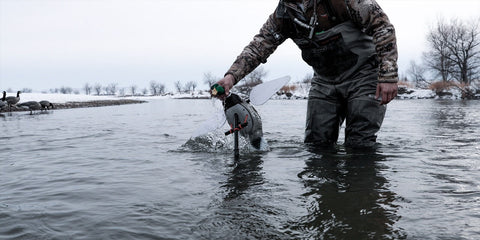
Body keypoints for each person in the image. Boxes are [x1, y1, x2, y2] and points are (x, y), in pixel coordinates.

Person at [213, 0, 398, 148]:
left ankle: (362, 191)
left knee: (360, 144)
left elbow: (382, 27)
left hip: (364, 75)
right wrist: (231, 77)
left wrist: (388, 75)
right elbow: (258, 47)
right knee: (316, 146)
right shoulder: (283, 14)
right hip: (324, 81)